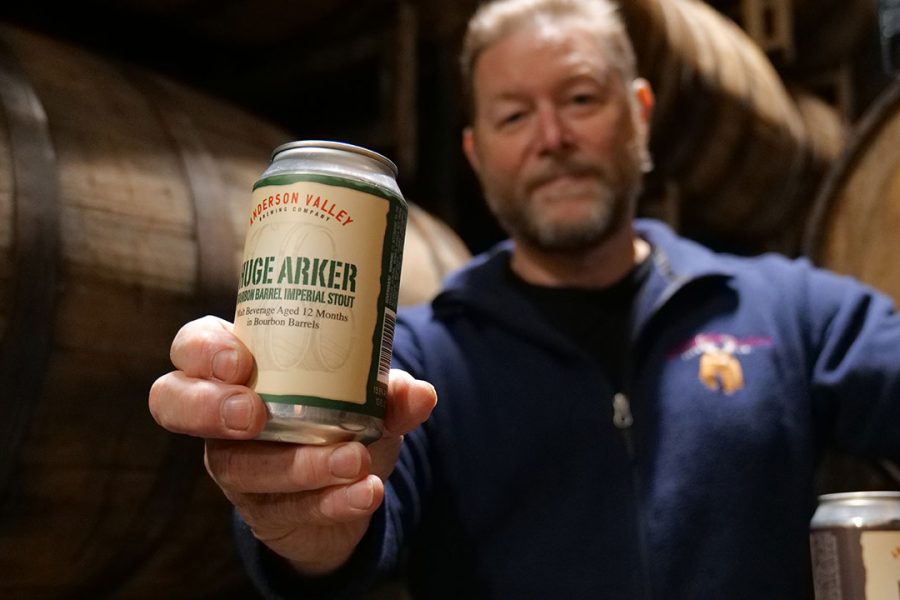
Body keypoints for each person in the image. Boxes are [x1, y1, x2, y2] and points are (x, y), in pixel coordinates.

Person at [149, 0, 900, 597]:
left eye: (581, 98)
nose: (552, 137)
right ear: (477, 155)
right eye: (513, 115)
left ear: (640, 114)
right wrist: (301, 523)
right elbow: (350, 522)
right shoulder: (421, 354)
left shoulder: (784, 307)